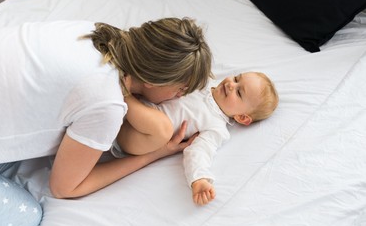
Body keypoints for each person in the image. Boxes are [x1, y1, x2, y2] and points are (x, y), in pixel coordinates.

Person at [0, 17, 213, 226]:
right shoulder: (106, 101)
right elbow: (64, 188)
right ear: (153, 80)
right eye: (181, 88)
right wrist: (153, 155)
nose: (180, 97)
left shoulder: (93, 30)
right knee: (22, 219)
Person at [113, 72, 279, 206]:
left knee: (161, 129)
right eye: (236, 79)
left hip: (136, 134)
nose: (230, 84)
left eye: (238, 92)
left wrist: (199, 179)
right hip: (137, 104)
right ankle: (123, 92)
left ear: (242, 117)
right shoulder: (204, 82)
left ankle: (124, 93)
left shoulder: (216, 127)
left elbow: (199, 152)